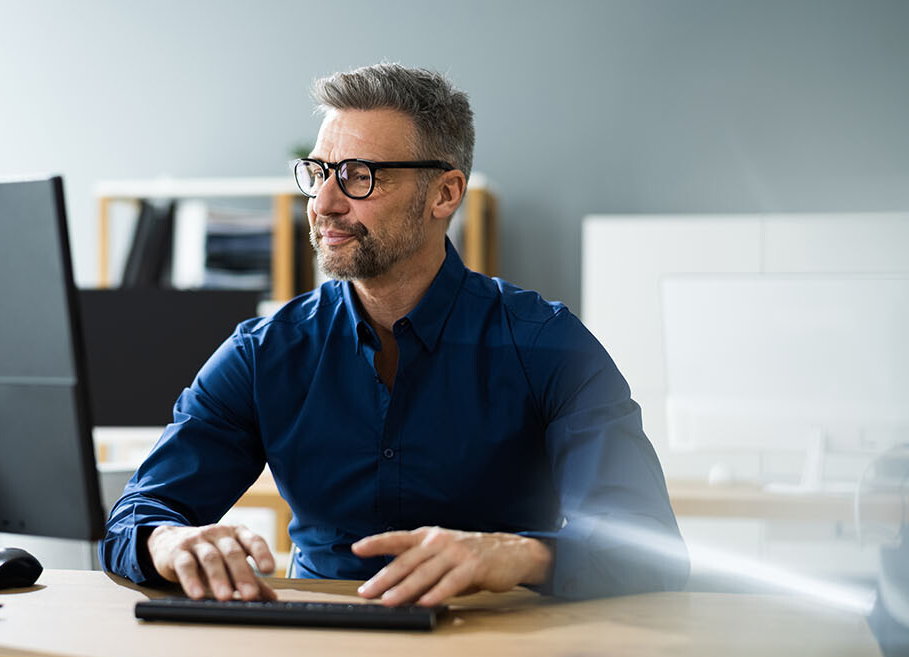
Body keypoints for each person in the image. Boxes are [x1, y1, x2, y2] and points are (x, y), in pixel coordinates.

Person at [99, 63, 689, 606]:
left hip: (492, 639)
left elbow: (650, 549)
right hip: (316, 641)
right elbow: (136, 517)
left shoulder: (548, 345)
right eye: (319, 173)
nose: (324, 203)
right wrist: (169, 543)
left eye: (359, 177)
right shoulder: (263, 353)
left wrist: (518, 554)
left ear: (445, 193)